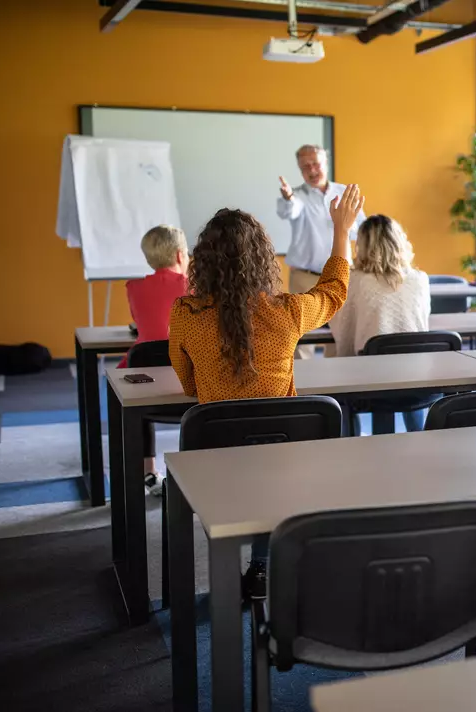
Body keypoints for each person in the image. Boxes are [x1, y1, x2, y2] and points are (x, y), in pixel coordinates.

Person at [169, 185, 361, 598]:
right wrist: (341, 229)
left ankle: (224, 563)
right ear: (262, 259)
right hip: (282, 458)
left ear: (202, 261)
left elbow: (188, 384)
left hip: (214, 460)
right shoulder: (289, 311)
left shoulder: (185, 313)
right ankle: (262, 566)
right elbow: (333, 290)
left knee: (243, 460)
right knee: (270, 463)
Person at [330, 215, 431, 432]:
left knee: (341, 376)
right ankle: (419, 434)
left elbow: (344, 329)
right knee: (407, 363)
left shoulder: (355, 281)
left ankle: (351, 440)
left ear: (363, 246)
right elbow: (422, 326)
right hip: (419, 382)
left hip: (372, 384)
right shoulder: (420, 279)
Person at [276, 144, 366, 358]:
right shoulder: (296, 196)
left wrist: (342, 223)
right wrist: (288, 197)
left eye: (316, 164)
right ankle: (304, 386)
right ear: (300, 170)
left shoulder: (344, 192)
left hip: (341, 276)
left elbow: (361, 230)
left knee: (341, 334)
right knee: (302, 336)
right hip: (304, 277)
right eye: (305, 167)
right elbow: (290, 210)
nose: (312, 170)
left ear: (325, 163)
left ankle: (338, 383)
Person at [120, 225, 189, 493]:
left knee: (127, 378)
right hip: (190, 381)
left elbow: (143, 323)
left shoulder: (134, 287)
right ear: (181, 256)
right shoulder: (195, 285)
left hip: (146, 381)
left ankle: (148, 470)